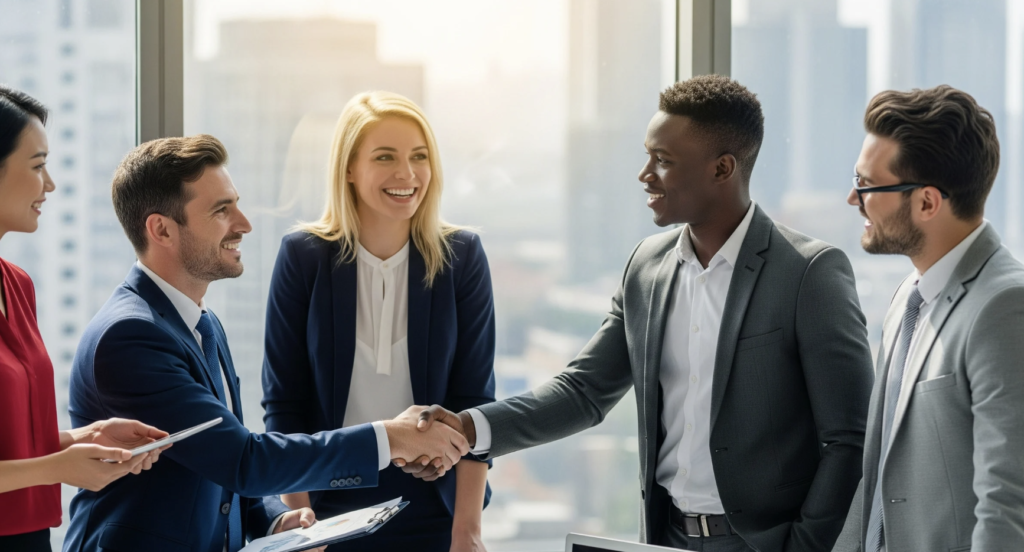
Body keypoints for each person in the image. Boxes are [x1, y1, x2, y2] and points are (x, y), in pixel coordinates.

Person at [412, 75, 875, 551]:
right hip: (664, 537)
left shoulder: (808, 273)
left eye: (663, 160)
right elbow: (584, 391)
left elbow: (851, 439)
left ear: (722, 169)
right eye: (648, 156)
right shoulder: (646, 267)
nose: (645, 174)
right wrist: (468, 428)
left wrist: (803, 547)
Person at [64, 134, 470, 552]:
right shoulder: (131, 337)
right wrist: (389, 437)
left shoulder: (201, 323)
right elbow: (243, 460)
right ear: (162, 229)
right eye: (222, 210)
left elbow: (217, 460)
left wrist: (274, 519)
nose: (244, 224)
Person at [262, 91, 494, 552]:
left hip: (437, 510)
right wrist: (302, 529)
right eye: (385, 157)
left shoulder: (462, 257)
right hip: (327, 510)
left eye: (419, 156)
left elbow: (476, 404)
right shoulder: (303, 257)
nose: (407, 173)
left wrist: (467, 532)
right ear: (349, 168)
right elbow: (285, 406)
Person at [832, 86, 1024, 552]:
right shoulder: (908, 296)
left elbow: (1006, 502)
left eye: (867, 185)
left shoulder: (1005, 306)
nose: (853, 198)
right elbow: (878, 470)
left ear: (927, 203)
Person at [0, 85, 168, 552]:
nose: (50, 184)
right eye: (37, 166)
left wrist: (82, 437)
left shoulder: (17, 285)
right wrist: (58, 467)